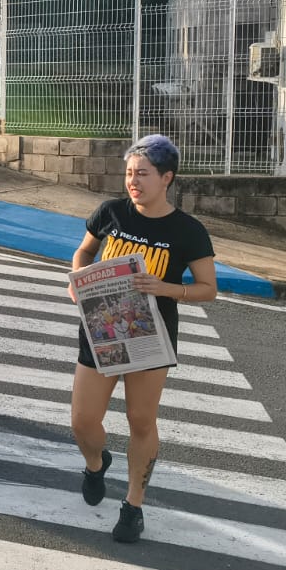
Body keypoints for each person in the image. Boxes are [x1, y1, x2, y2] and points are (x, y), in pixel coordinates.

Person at [68, 134, 217, 544]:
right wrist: (77, 280)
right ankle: (96, 464)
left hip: (150, 337)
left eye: (143, 174)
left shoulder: (188, 231)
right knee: (82, 421)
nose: (133, 181)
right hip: (100, 330)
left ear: (167, 178)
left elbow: (208, 288)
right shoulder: (111, 212)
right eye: (130, 173)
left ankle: (133, 505)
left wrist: (166, 288)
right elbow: (84, 253)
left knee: (140, 421)